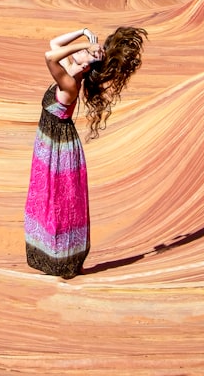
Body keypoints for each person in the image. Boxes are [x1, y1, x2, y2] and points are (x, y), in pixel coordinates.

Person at [24, 26, 147, 278]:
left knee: (59, 200)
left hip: (59, 147)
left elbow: (49, 56)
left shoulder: (69, 82)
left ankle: (65, 261)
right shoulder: (70, 70)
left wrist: (85, 48)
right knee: (47, 198)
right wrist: (81, 33)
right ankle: (52, 256)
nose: (87, 52)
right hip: (50, 143)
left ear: (85, 66)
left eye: (91, 55)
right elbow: (54, 43)